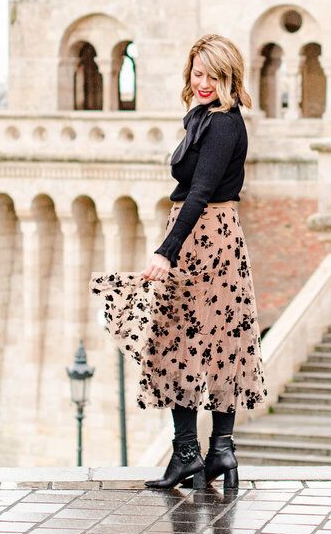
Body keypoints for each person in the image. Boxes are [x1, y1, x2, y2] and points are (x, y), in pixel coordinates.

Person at [90, 34, 267, 490]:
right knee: (202, 340)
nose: (203, 82)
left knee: (186, 341)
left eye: (212, 75)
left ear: (229, 77)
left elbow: (202, 192)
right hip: (207, 234)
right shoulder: (203, 118)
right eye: (197, 73)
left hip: (206, 235)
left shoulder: (224, 124)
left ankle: (204, 452)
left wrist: (166, 250)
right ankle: (205, 454)